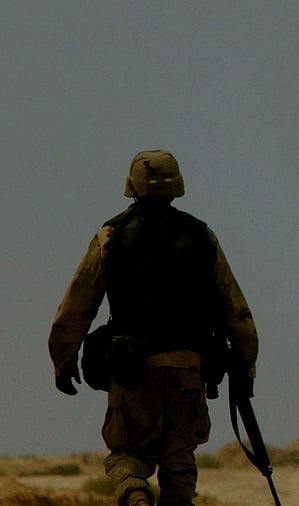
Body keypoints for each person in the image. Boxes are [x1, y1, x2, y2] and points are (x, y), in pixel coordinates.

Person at [48, 150, 259, 506]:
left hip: (132, 373)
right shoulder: (202, 236)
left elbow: (76, 307)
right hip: (187, 370)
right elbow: (235, 311)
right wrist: (246, 365)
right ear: (177, 185)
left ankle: (135, 495)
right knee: (179, 458)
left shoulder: (110, 237)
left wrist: (63, 361)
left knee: (126, 454)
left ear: (132, 185)